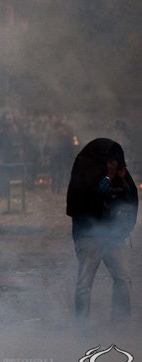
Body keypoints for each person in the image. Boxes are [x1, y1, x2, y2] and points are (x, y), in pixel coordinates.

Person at [66, 137, 138, 326]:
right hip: (89, 235)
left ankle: (120, 321)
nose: (113, 164)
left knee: (122, 278)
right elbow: (92, 197)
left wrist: (121, 180)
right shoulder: (86, 174)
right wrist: (108, 177)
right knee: (85, 283)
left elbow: (130, 200)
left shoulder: (119, 177)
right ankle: (81, 324)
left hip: (112, 236)